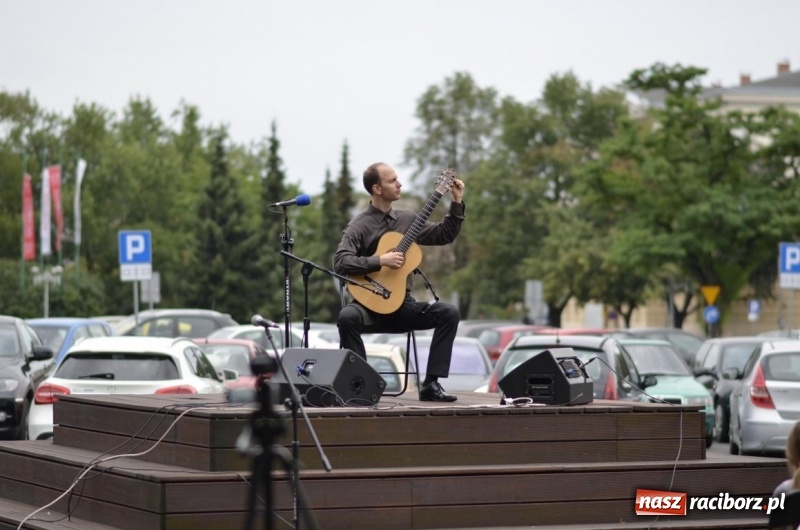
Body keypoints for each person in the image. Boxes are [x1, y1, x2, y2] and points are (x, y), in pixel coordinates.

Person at [333, 162, 465, 402]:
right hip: (367, 307)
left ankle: (431, 384)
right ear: (377, 189)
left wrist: (456, 202)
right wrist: (380, 260)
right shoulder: (359, 226)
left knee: (449, 313)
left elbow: (444, 234)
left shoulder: (407, 220)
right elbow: (341, 262)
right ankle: (361, 385)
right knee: (346, 317)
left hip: (402, 306)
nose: (399, 184)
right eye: (392, 180)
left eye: (397, 179)